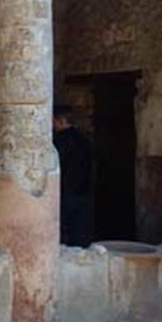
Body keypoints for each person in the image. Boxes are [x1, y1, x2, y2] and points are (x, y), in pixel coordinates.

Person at [53, 103, 94, 248]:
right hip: (83, 193)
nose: (53, 126)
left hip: (63, 194)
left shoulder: (58, 142)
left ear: (61, 121)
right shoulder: (84, 140)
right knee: (79, 236)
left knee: (60, 235)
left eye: (54, 122)